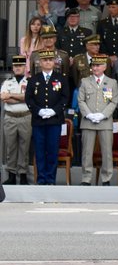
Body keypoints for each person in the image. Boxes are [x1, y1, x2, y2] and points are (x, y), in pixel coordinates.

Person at [26, 49, 69, 184]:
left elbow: (65, 97)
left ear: (54, 62)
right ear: (40, 62)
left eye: (50, 60)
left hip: (55, 120)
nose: (48, 62)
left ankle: (50, 179)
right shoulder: (33, 79)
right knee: (39, 151)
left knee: (52, 151)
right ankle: (41, 179)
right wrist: (38, 111)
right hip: (38, 120)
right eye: (45, 60)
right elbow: (29, 98)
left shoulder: (61, 78)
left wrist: (54, 111)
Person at [78, 55, 117, 186]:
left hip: (105, 122)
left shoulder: (112, 82)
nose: (95, 68)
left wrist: (103, 115)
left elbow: (113, 102)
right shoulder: (85, 81)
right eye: (93, 65)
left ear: (105, 67)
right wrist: (89, 115)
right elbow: (81, 100)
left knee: (106, 152)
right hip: (88, 122)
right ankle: (86, 178)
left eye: (98, 65)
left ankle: (106, 178)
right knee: (87, 152)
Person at [2, 56, 32, 184]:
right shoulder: (7, 82)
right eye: (15, 66)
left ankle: (23, 175)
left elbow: (29, 97)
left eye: (20, 66)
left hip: (25, 116)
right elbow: (4, 98)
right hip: (10, 118)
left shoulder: (30, 82)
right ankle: (12, 175)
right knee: (11, 147)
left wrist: (12, 95)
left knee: (24, 148)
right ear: (13, 68)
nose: (18, 68)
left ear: (25, 67)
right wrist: (20, 97)